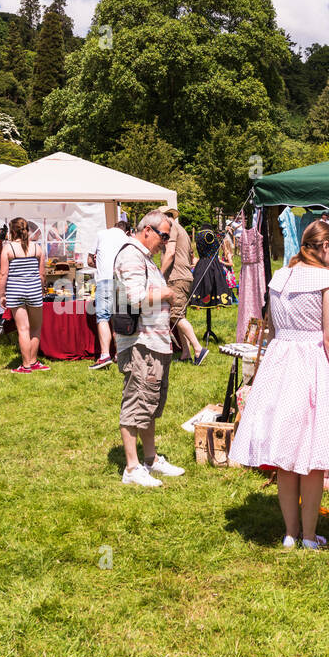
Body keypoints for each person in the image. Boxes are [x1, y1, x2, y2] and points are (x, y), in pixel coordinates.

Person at [230, 220, 329, 549]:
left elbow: (275, 328)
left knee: (287, 457)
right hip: (313, 364)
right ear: (324, 247)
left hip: (281, 364)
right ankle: (307, 536)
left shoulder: (281, 276)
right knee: (313, 457)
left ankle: (291, 533)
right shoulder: (328, 279)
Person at [113, 210, 185, 487]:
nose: (165, 242)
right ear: (147, 231)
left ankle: (150, 459)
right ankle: (131, 468)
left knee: (150, 403)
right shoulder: (131, 255)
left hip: (155, 342)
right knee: (136, 401)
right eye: (163, 236)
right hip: (140, 343)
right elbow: (134, 299)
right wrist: (166, 293)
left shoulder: (144, 257)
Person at [0, 216, 47, 373]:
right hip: (34, 290)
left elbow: (3, 274)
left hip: (15, 291)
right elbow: (42, 275)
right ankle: (33, 362)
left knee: (23, 329)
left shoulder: (8, 248)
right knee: (35, 328)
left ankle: (26, 366)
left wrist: (2, 294)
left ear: (12, 231)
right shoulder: (37, 248)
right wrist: (40, 289)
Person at [160, 207, 207, 366]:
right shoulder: (182, 230)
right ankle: (186, 353)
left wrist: (159, 273)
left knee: (175, 315)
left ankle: (198, 348)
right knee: (179, 315)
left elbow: (171, 252)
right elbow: (191, 254)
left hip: (176, 278)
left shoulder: (171, 227)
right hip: (185, 276)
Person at [89, 216, 130, 370]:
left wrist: (97, 262)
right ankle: (120, 353)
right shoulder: (127, 238)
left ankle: (105, 354)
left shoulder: (101, 234)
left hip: (105, 279)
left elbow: (89, 261)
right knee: (118, 317)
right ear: (126, 230)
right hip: (122, 280)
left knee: (103, 317)